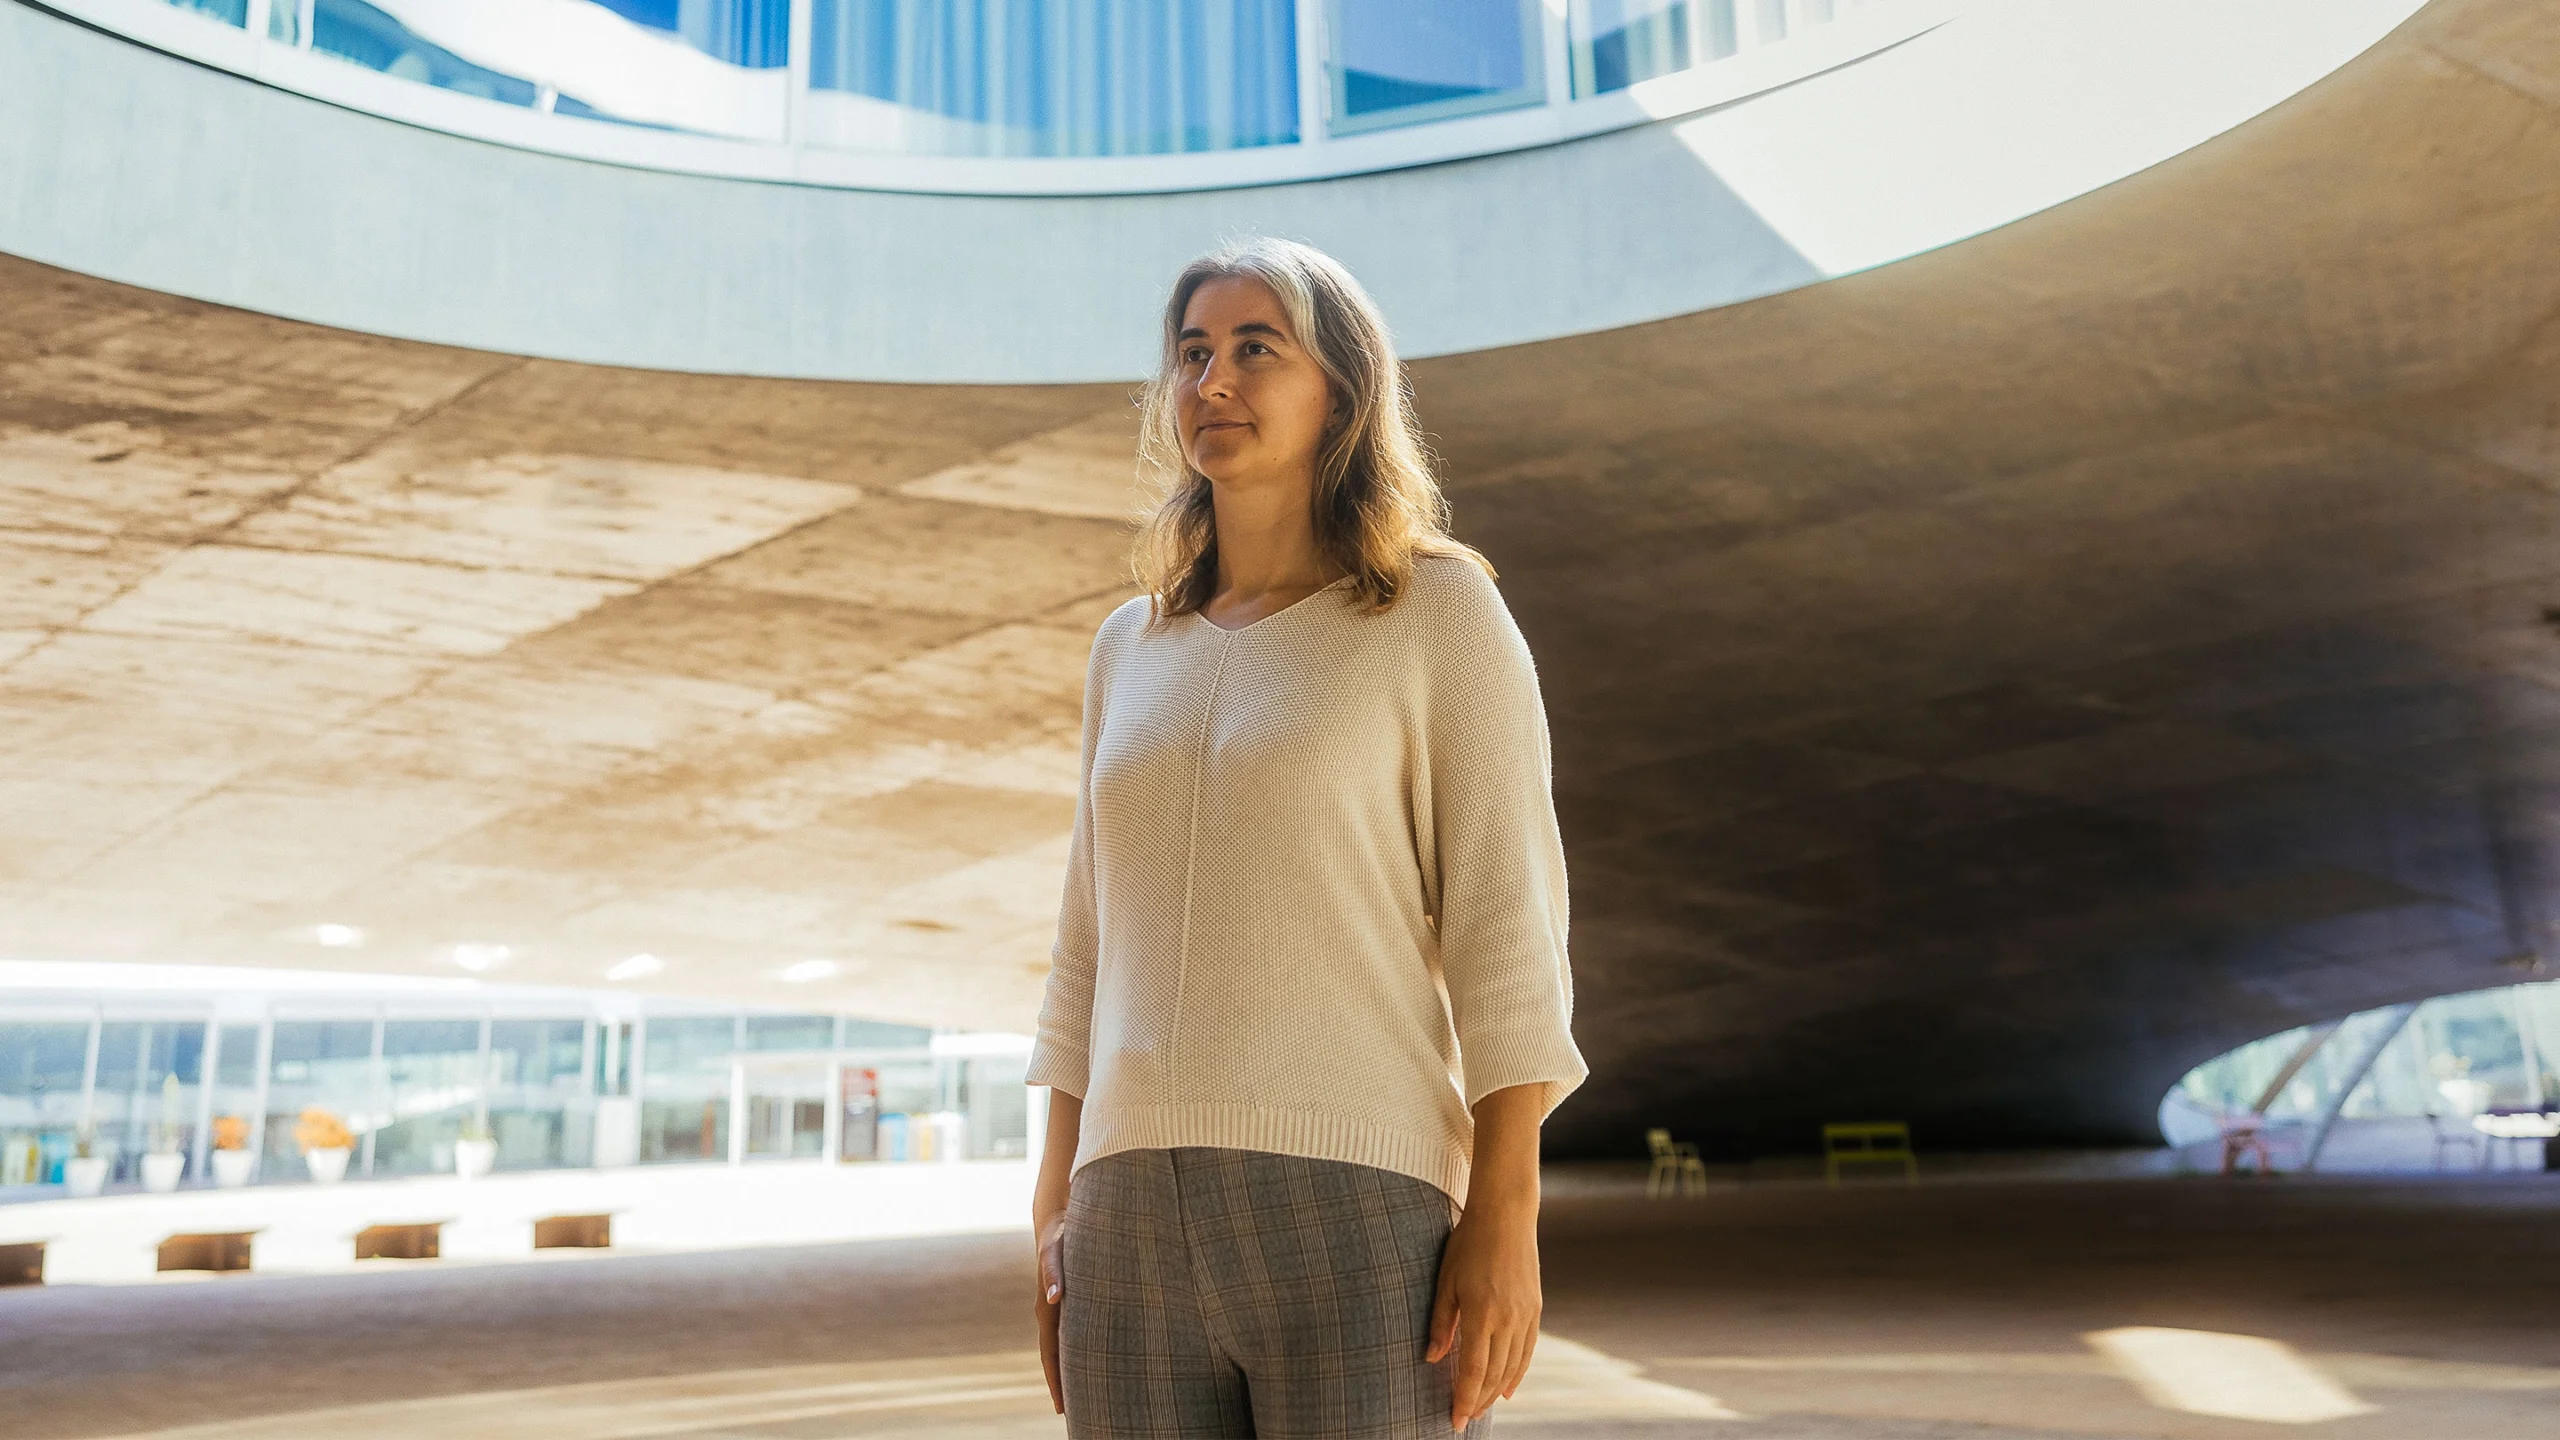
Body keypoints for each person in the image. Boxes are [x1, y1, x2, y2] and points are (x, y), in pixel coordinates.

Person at [1028, 235, 1588, 1439]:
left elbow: (1508, 924)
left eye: (1253, 349)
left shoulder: (1437, 610)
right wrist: (1052, 1207)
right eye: (1191, 354)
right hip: (1121, 1220)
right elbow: (1086, 945)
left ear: (1340, 386)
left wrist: (1506, 1220)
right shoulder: (1130, 647)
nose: (1210, 382)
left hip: (1360, 1213)